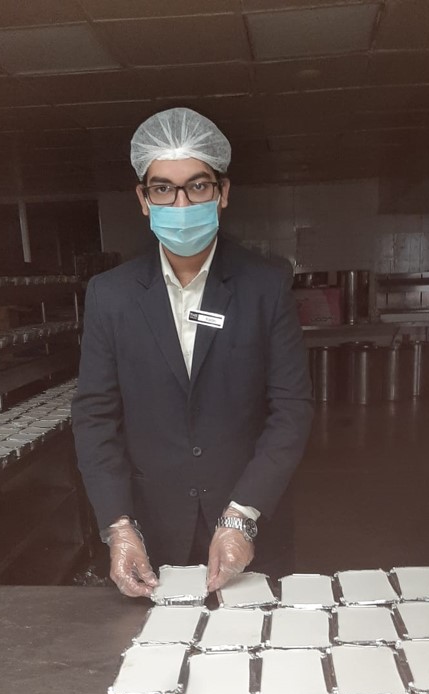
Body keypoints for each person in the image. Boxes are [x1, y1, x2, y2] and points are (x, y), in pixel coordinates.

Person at [71, 107, 313, 598]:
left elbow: (291, 407)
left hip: (251, 521)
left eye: (197, 186)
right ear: (143, 199)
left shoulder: (265, 285)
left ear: (222, 192)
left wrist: (242, 515)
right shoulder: (111, 295)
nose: (180, 203)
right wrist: (119, 527)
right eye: (163, 188)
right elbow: (95, 416)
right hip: (152, 533)